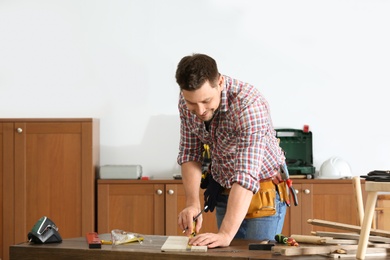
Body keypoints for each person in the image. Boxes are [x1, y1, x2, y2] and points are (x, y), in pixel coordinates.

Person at [175, 53, 287, 248]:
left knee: (255, 255)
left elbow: (246, 175)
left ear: (219, 82)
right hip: (224, 187)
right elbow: (190, 153)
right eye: (192, 103)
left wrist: (225, 233)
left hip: (261, 191)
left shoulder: (249, 105)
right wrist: (192, 202)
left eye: (206, 101)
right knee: (228, 254)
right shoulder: (188, 101)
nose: (200, 110)